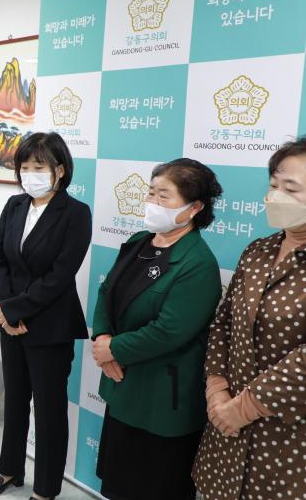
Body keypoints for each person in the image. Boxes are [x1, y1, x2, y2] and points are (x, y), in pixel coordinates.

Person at [91, 158, 223, 500]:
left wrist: (113, 349)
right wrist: (103, 338)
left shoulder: (199, 263)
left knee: (155, 487)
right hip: (123, 386)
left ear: (194, 208)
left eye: (164, 196)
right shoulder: (139, 241)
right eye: (151, 193)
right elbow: (107, 291)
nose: (153, 202)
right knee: (118, 484)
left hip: (163, 399)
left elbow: (170, 330)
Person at [0, 132, 91, 500]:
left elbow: (60, 275)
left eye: (39, 167)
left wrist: (15, 309)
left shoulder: (75, 213)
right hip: (10, 322)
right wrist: (6, 311)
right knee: (14, 401)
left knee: (48, 411)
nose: (30, 174)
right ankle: (9, 469)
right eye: (24, 167)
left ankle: (45, 490)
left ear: (60, 170)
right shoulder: (14, 205)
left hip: (50, 325)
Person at [193, 137, 306, 499]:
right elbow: (223, 323)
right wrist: (216, 390)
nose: (275, 196)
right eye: (274, 185)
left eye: (291, 188)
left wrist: (244, 408)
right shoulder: (258, 251)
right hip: (225, 428)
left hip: (286, 442)